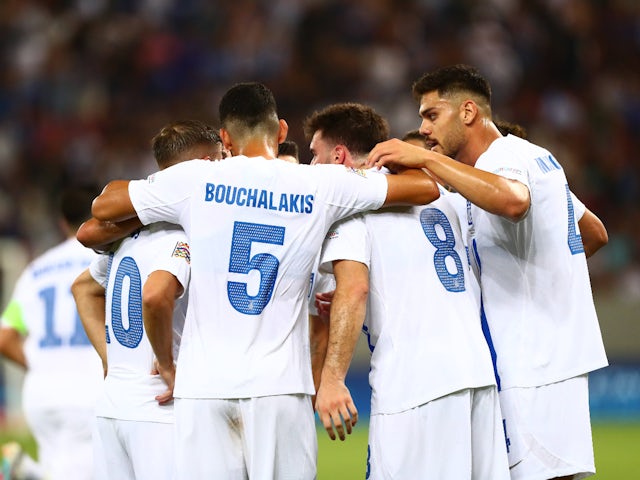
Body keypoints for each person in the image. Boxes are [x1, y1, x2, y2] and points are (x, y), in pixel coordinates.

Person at [76, 82, 439, 479]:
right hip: (279, 386)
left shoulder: (195, 180)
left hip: (203, 389)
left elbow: (103, 206)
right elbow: (424, 188)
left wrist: (168, 206)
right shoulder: (320, 184)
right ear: (281, 131)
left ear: (225, 138)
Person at [367, 64, 608, 480]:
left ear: (467, 112)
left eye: (431, 115)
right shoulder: (535, 159)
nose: (423, 128)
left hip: (532, 358)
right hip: (546, 356)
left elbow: (514, 202)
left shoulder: (506, 158)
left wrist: (424, 159)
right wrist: (544, 269)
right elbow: (593, 232)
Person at [305, 102, 510, 478]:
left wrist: (332, 380)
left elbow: (356, 290)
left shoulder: (350, 210)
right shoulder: (444, 199)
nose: (311, 168)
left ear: (339, 156)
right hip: (477, 375)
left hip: (414, 385)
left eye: (315, 156)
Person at [71, 120, 224, 480]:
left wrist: (110, 359)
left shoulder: (128, 234)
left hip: (112, 408)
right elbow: (155, 296)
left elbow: (83, 288)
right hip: (159, 409)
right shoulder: (181, 232)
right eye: (220, 159)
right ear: (204, 164)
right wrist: (168, 365)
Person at [0, 185, 103, 480]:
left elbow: (5, 338)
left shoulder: (36, 270)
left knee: (56, 468)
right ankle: (23, 469)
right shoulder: (108, 261)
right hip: (90, 387)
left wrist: (44, 366)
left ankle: (22, 468)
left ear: (62, 221)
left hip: (41, 393)